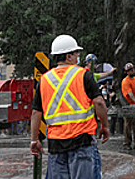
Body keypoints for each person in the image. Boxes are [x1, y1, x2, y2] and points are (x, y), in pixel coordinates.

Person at [30, 34, 109, 179]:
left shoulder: (44, 80)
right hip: (82, 141)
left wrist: (34, 140)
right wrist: (105, 126)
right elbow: (99, 103)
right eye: (76, 53)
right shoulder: (83, 75)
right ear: (68, 56)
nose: (78, 56)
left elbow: (36, 113)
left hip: (55, 145)